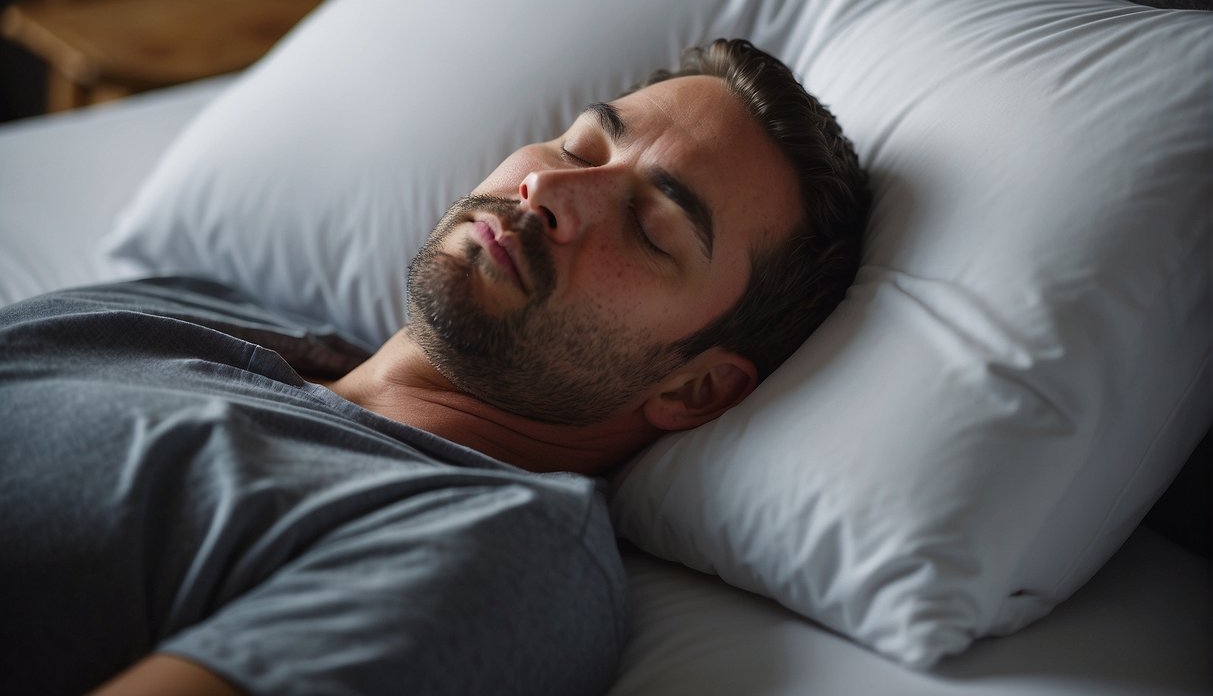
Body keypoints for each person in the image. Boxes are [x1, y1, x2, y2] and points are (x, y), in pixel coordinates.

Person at [0, 39, 869, 695]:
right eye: (577, 149)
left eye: (650, 230)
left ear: (694, 387)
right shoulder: (191, 306)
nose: (552, 194)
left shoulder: (497, 555)